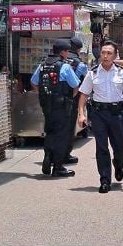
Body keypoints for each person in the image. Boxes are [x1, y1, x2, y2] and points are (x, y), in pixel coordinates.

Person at [77, 41, 123, 193]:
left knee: (120, 146)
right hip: (98, 114)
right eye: (103, 52)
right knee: (102, 147)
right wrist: (81, 114)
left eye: (109, 53)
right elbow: (83, 95)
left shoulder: (121, 72)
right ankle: (104, 180)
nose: (105, 56)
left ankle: (118, 164)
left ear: (115, 55)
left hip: (117, 114)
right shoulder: (93, 73)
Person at [30, 39, 80, 177]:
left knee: (50, 131)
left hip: (46, 104)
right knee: (62, 134)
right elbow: (75, 85)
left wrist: (43, 94)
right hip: (62, 105)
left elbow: (34, 83)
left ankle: (48, 156)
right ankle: (58, 166)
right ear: (63, 52)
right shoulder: (64, 66)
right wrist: (70, 98)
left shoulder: (42, 65)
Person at [64, 37, 89, 165]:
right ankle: (65, 155)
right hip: (71, 98)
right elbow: (85, 82)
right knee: (68, 128)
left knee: (54, 127)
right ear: (79, 49)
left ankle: (50, 154)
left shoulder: (54, 60)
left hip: (53, 98)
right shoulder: (80, 64)